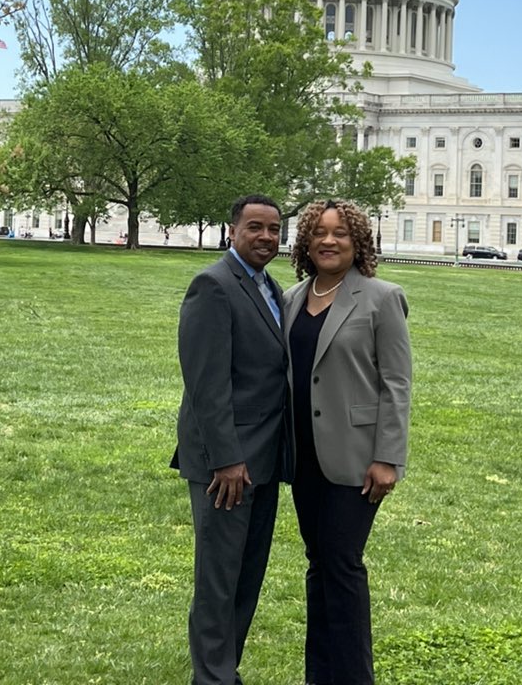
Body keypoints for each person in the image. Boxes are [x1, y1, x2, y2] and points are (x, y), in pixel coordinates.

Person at [284, 199, 411, 685]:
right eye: (319, 232)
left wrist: (387, 458)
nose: (329, 241)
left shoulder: (381, 297)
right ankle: (320, 675)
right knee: (319, 566)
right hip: (303, 458)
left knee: (342, 565)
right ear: (306, 242)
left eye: (340, 233)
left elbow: (396, 383)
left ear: (358, 241)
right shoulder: (293, 298)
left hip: (357, 459)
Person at [171, 194, 290, 685]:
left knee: (246, 575)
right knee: (219, 580)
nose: (266, 237)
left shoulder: (269, 286)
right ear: (232, 231)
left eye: (274, 229)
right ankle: (213, 678)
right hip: (227, 465)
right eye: (255, 228)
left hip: (263, 458)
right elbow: (206, 383)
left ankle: (224, 668)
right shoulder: (213, 286)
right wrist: (225, 460)